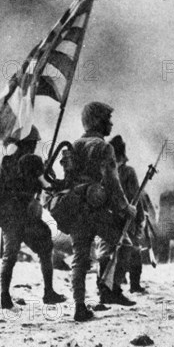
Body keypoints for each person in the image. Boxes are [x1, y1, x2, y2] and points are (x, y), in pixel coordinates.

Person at [67, 102, 136, 322]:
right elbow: (112, 182)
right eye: (107, 118)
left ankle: (79, 307)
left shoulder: (73, 146)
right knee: (124, 246)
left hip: (76, 209)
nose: (111, 123)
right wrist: (126, 208)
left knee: (79, 258)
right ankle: (109, 289)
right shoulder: (104, 147)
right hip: (96, 210)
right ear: (98, 120)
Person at [0, 126, 66, 309]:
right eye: (33, 143)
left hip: (12, 216)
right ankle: (48, 292)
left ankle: (5, 296)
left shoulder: (6, 163)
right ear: (27, 143)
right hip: (25, 216)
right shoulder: (33, 162)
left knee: (10, 256)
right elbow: (48, 186)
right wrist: (46, 173)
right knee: (43, 250)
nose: (34, 146)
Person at [109, 135, 146, 293]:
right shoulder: (128, 172)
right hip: (128, 217)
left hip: (110, 217)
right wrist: (141, 218)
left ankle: (109, 285)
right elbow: (135, 197)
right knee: (134, 250)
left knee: (111, 253)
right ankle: (134, 285)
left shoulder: (106, 171)